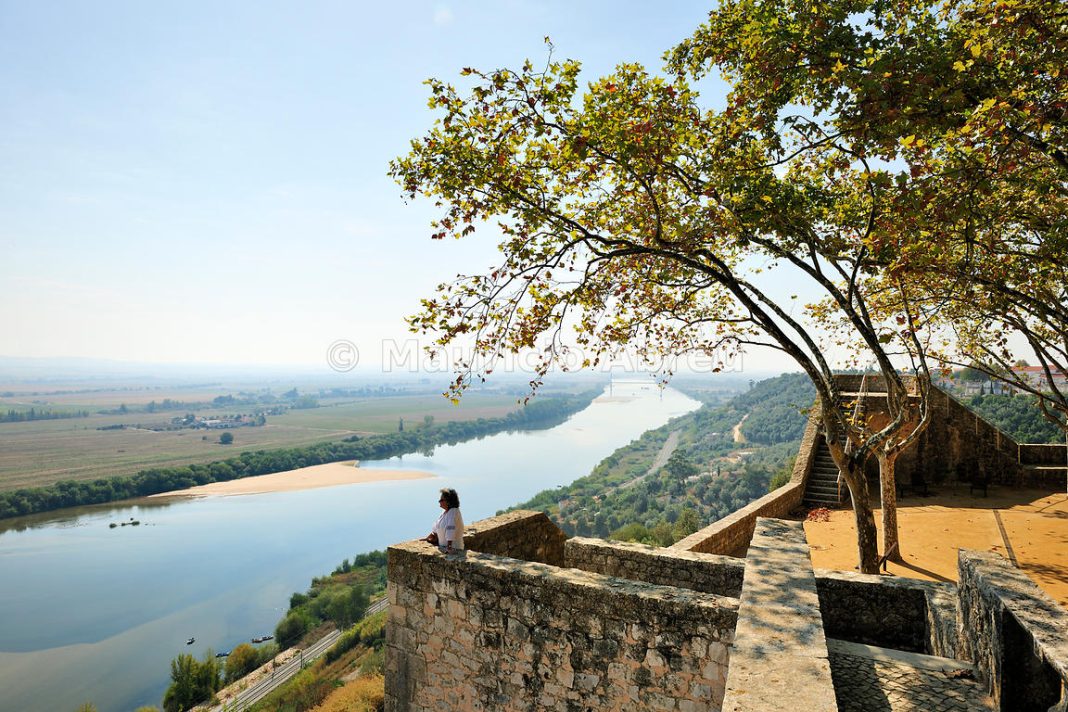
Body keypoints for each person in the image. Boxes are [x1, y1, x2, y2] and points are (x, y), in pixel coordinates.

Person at [426, 487, 464, 553]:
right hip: (443, 547)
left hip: (455, 548)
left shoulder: (453, 512)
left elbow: (450, 529)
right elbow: (435, 529)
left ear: (449, 501)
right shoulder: (445, 513)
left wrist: (449, 547)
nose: (439, 501)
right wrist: (427, 538)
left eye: (441, 500)